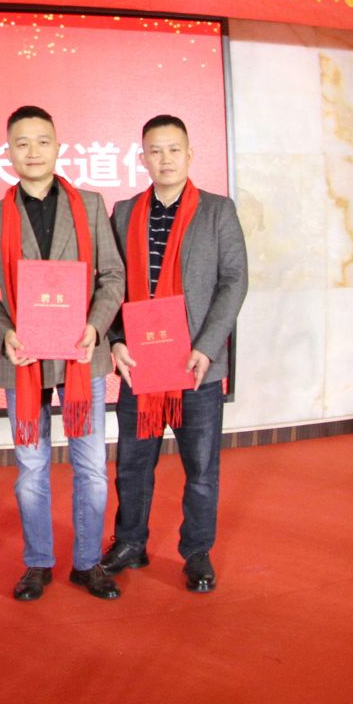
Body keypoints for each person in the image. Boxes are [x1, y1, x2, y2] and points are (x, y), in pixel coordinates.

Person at [0, 106, 125, 601]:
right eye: (22, 143)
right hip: (23, 359)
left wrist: (95, 326)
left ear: (58, 146)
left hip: (83, 357)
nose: (33, 151)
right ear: (8, 152)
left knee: (91, 468)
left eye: (42, 141)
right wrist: (4, 335)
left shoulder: (90, 205)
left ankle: (87, 562)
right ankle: (38, 562)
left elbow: (113, 276)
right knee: (31, 469)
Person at [102, 114, 248, 593]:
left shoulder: (217, 211)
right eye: (155, 150)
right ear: (142, 157)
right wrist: (116, 339)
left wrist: (207, 347)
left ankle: (197, 552)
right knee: (132, 464)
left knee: (201, 469)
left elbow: (234, 281)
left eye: (173, 149)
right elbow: (111, 282)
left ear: (189, 154)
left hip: (196, 367)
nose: (164, 159)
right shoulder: (125, 212)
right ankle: (130, 542)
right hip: (141, 366)